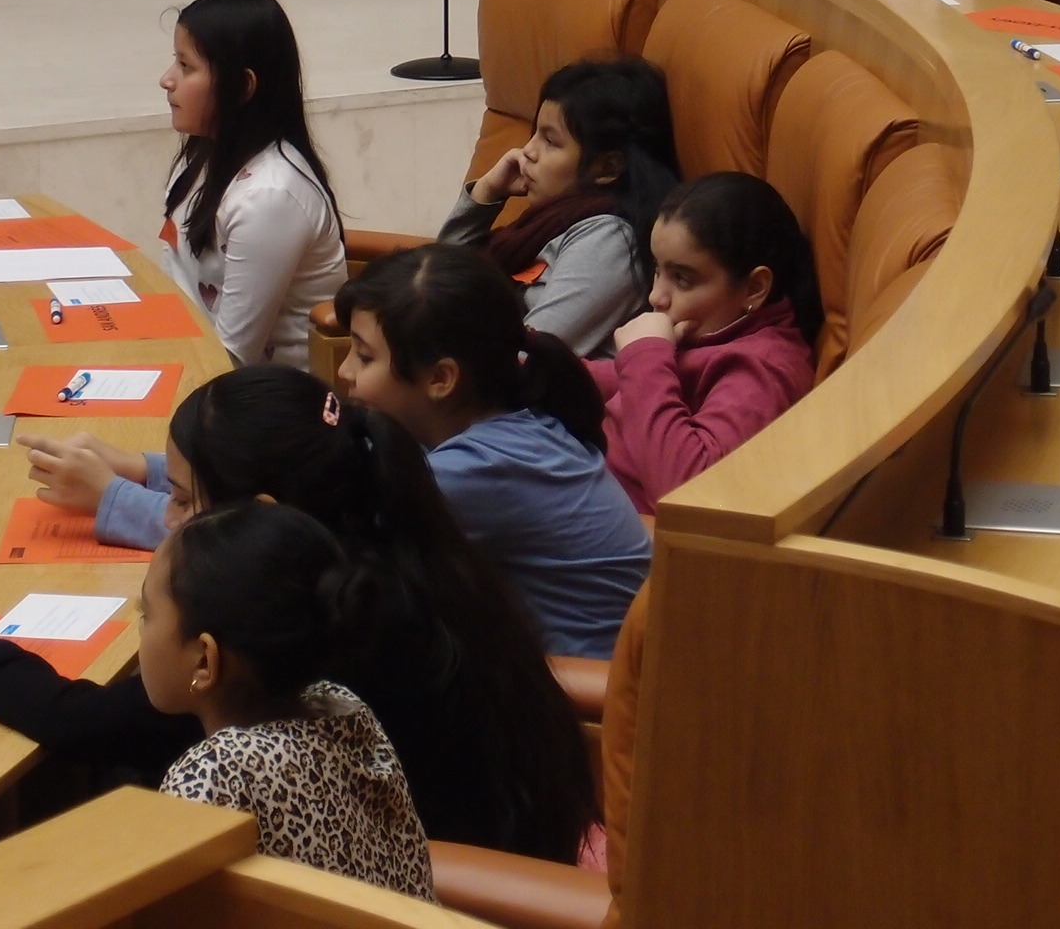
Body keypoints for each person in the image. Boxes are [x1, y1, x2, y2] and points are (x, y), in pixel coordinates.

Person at [0, 368, 597, 860]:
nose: (169, 518)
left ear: (264, 513)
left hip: (440, 889)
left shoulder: (300, 629)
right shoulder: (383, 546)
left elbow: (90, 726)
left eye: (187, 501)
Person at [337, 244, 653, 659]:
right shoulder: (512, 424)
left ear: (441, 379)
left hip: (584, 701)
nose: (344, 372)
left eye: (363, 357)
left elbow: (337, 538)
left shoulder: (476, 471)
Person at [140, 502, 436, 896]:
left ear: (204, 661)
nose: (139, 629)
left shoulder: (211, 778)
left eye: (146, 613)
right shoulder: (345, 708)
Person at [590, 173, 820, 514]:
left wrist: (646, 354)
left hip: (620, 528)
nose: (656, 296)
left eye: (682, 278)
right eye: (657, 270)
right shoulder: (716, 330)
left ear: (755, 288)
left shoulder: (764, 369)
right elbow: (616, 382)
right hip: (586, 480)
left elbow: (688, 487)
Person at [155, 0, 344, 368]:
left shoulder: (270, 197)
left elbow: (231, 358)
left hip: (267, 405)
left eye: (186, 66)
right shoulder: (202, 154)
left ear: (242, 86)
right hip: (190, 362)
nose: (166, 80)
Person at [439, 57, 678, 357]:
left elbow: (529, 359)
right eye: (534, 132)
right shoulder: (548, 221)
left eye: (550, 141)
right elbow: (438, 286)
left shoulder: (610, 241)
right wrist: (486, 193)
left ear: (607, 167)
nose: (528, 150)